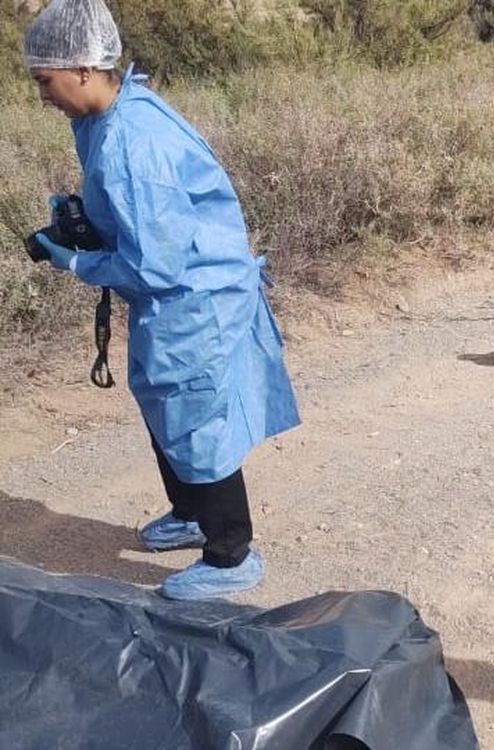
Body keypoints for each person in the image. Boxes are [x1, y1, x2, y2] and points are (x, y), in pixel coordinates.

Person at [23, 0, 300, 600]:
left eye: (45, 80)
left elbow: (155, 264)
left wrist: (75, 260)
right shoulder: (109, 112)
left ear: (82, 68)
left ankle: (230, 555)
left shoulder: (133, 143)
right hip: (173, 295)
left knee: (196, 419)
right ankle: (191, 514)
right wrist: (88, 220)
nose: (42, 95)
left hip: (194, 296)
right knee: (163, 404)